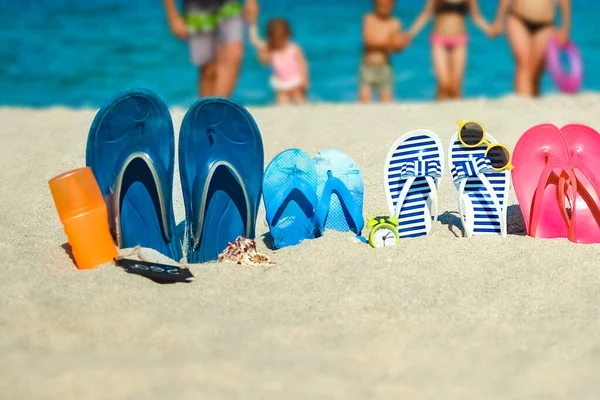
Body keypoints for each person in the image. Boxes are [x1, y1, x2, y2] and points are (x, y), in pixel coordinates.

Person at [162, 0, 259, 98]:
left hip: (230, 5)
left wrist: (251, 2)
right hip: (197, 10)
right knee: (209, 70)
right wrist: (173, 16)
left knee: (234, 55)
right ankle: (206, 109)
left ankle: (219, 106)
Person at [408, 0, 494, 100]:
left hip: (460, 41)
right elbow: (426, 14)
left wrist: (488, 29)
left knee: (455, 85)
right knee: (443, 83)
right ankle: (438, 111)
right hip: (439, 40)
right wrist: (410, 34)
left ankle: (456, 113)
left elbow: (476, 16)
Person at [491, 0, 571, 96]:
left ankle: (533, 103)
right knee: (523, 63)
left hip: (546, 24)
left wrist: (565, 28)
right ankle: (523, 104)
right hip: (518, 18)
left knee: (535, 72)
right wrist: (498, 20)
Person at [360, 0, 411, 103]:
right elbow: (368, 41)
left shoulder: (394, 22)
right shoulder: (369, 18)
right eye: (380, 5)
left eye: (386, 5)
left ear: (393, 5)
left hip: (385, 67)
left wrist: (402, 45)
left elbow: (396, 48)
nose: (383, 8)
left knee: (386, 101)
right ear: (374, 4)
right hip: (368, 66)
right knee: (364, 100)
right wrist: (389, 42)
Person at [249, 19, 309, 105]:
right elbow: (255, 41)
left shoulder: (294, 49)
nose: (279, 42)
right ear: (270, 38)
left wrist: (304, 80)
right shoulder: (271, 49)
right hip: (281, 84)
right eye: (275, 40)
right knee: (281, 103)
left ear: (287, 35)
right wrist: (252, 25)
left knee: (300, 101)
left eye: (281, 39)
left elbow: (302, 65)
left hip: (296, 83)